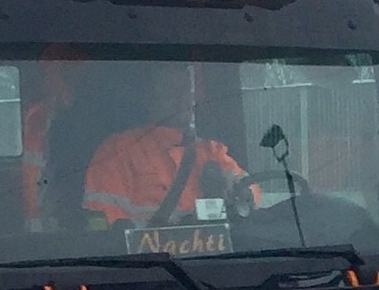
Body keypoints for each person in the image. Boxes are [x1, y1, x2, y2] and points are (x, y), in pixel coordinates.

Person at [83, 65, 259, 234]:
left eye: (187, 92)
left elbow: (251, 189)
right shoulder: (117, 151)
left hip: (215, 252)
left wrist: (244, 194)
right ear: (148, 98)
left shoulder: (210, 151)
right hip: (149, 254)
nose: (183, 100)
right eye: (171, 92)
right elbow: (108, 228)